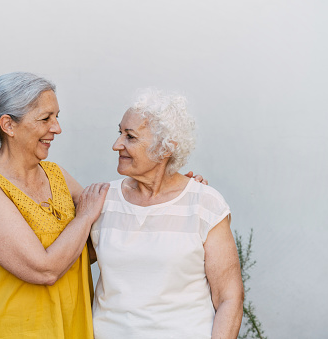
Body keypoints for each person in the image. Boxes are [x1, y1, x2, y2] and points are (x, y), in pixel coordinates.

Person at [0, 72, 109, 339]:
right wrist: (83, 218)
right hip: (7, 330)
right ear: (9, 125)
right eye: (46, 118)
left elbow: (103, 240)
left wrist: (174, 190)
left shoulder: (57, 174)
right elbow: (44, 269)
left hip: (69, 328)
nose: (57, 128)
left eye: (57, 117)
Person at [90, 89, 244, 339]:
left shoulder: (205, 204)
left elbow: (229, 297)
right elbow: (67, 264)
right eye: (120, 133)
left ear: (165, 149)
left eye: (130, 137)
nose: (117, 145)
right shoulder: (102, 201)